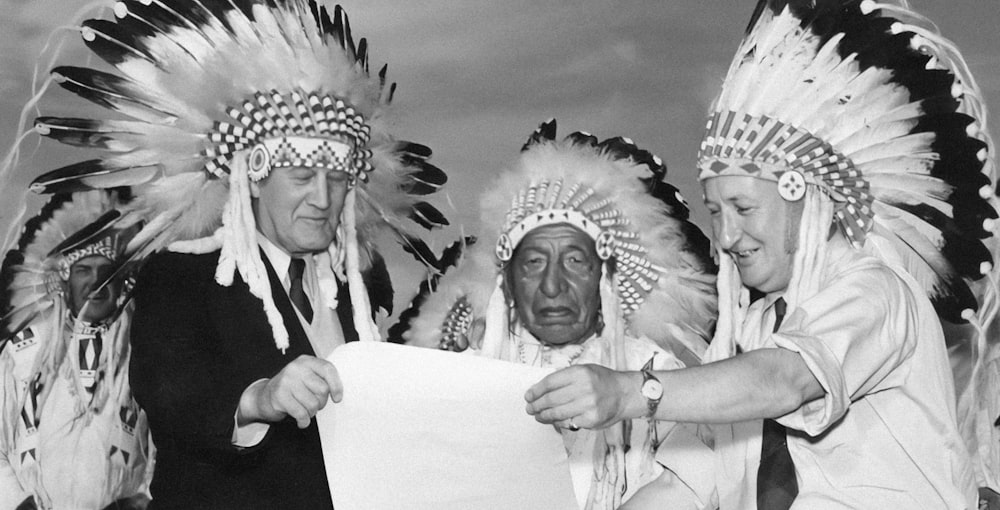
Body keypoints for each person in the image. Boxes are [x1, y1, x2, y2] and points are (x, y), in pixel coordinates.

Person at [525, 1, 999, 508]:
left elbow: (784, 379)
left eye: (743, 207)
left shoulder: (877, 292)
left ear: (805, 198)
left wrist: (628, 392)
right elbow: (681, 486)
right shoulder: (748, 333)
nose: (727, 236)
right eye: (715, 211)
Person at [22, 2, 448, 508]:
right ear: (253, 177)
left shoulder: (358, 286)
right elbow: (167, 388)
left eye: (337, 179)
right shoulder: (182, 273)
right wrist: (258, 399)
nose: (322, 198)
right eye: (301, 177)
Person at [403, 120, 718, 509]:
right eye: (534, 262)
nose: (553, 285)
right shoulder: (461, 378)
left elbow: (697, 485)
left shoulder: (661, 381)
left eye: (575, 261)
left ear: (606, 276)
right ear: (508, 279)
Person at [0, 190, 152, 510]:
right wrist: (16, 502)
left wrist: (141, 499)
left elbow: (170, 443)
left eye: (106, 271)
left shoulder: (146, 350)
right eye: (84, 270)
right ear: (65, 281)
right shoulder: (24, 352)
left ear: (123, 281)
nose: (96, 282)